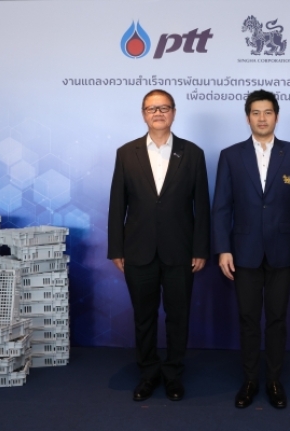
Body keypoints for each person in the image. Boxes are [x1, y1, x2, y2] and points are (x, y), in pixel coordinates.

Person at [212, 89, 290, 409]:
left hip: (284, 249)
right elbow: (221, 207)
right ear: (247, 118)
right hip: (243, 250)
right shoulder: (231, 155)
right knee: (247, 318)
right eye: (255, 112)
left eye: (268, 112)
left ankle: (273, 380)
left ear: (277, 116)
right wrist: (223, 248)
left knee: (277, 319)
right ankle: (250, 380)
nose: (262, 118)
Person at [107, 89, 210, 402]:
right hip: (138, 250)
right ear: (143, 114)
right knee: (144, 316)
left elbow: (202, 206)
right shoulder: (127, 153)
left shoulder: (193, 153)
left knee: (178, 316)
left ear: (174, 113)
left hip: (181, 251)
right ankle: (149, 373)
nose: (158, 113)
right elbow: (117, 204)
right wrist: (116, 249)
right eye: (152, 108)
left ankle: (173, 373)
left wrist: (200, 249)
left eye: (164, 108)